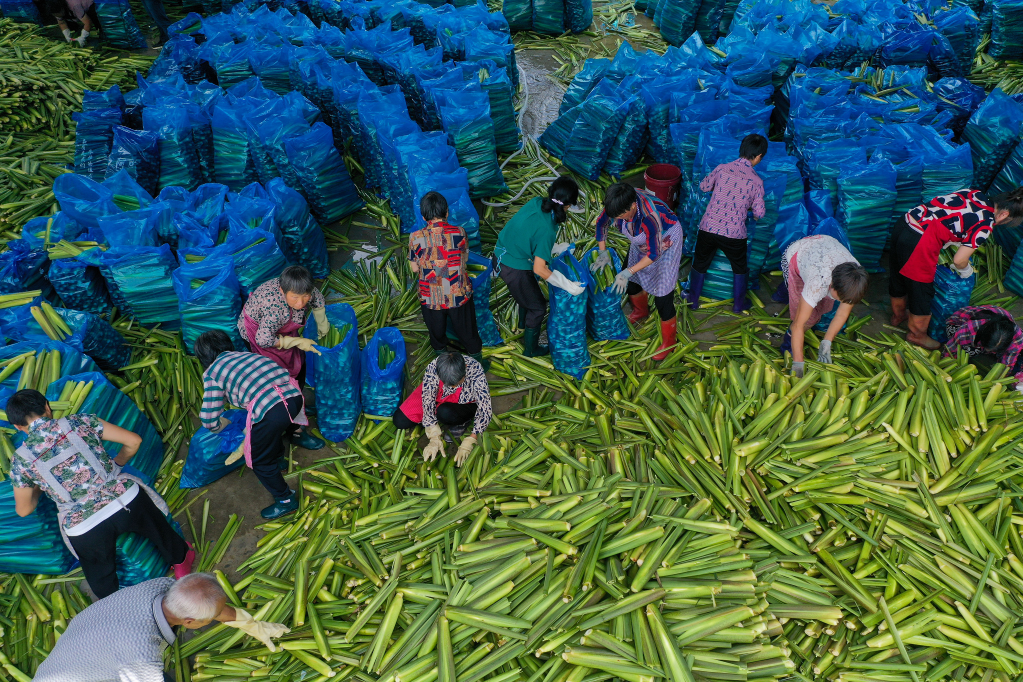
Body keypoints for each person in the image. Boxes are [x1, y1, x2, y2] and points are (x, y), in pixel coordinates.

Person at [7, 390, 193, 599]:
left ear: (18, 427)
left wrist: (42, 485)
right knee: (159, 529)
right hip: (125, 502)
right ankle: (181, 560)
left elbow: (24, 510)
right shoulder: (79, 421)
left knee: (100, 576)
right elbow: (134, 441)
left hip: (85, 527)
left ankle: (115, 605)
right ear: (47, 407)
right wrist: (118, 463)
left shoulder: (20, 461)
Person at [32, 573, 289, 682]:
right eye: (208, 620)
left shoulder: (161, 586)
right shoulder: (141, 654)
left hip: (82, 646)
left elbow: (212, 607)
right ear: (189, 623)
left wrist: (254, 626)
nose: (214, 619)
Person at [195, 330, 315, 520]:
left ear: (203, 356)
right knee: (269, 432)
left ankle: (286, 500)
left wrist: (222, 425)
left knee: (259, 460)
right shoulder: (247, 355)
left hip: (271, 409)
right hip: (294, 397)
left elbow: (209, 419)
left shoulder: (212, 373)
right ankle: (279, 461)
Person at [889, 188, 1023, 348]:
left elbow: (948, 215)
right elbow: (959, 260)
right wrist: (965, 271)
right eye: (1006, 223)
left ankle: (898, 316)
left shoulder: (973, 193)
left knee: (897, 274)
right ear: (1004, 215)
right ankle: (917, 336)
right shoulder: (985, 224)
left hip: (906, 222)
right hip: (919, 241)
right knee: (921, 292)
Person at [494, 177, 586, 357]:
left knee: (528, 291)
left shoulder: (537, 202)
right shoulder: (548, 230)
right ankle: (531, 349)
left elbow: (528, 232)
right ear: (567, 206)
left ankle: (522, 325)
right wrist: (567, 285)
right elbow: (539, 269)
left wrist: (553, 248)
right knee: (538, 307)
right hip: (513, 266)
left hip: (502, 251)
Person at [238, 265, 326, 449]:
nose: (301, 303)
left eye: (305, 296)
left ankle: (299, 404)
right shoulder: (276, 310)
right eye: (295, 297)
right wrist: (295, 342)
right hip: (261, 336)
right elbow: (263, 339)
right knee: (283, 382)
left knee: (298, 368)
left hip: (278, 332)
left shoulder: (304, 288)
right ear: (282, 290)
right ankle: (295, 431)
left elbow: (316, 298)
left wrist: (321, 320)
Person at [594, 182, 684, 361]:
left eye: (621, 216)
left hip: (666, 241)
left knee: (663, 298)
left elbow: (654, 253)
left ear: (633, 206)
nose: (617, 219)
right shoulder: (617, 203)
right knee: (632, 284)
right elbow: (601, 224)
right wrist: (602, 252)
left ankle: (669, 342)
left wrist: (628, 271)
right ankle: (641, 310)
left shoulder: (650, 217)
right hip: (642, 244)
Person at [687, 133, 768, 313]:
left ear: (741, 151)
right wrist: (749, 211)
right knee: (739, 268)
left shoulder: (722, 169)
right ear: (759, 156)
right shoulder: (756, 181)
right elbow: (760, 213)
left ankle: (692, 301)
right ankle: (739, 305)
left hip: (708, 227)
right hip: (734, 234)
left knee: (700, 263)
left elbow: (703, 187)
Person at [409, 191, 486, 367]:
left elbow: (414, 268)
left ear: (423, 216)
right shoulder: (459, 232)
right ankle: (476, 362)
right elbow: (464, 260)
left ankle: (443, 362)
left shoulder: (415, 237)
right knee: (468, 332)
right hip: (457, 294)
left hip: (430, 297)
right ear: (447, 212)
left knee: (437, 332)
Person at [778, 235, 869, 377]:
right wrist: (798, 364)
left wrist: (827, 341)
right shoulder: (817, 282)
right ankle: (786, 345)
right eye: (840, 298)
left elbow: (841, 314)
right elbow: (798, 325)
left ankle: (784, 292)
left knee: (820, 309)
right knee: (805, 318)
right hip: (798, 253)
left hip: (825, 246)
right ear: (831, 285)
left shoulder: (854, 279)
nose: (843, 301)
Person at [392, 352, 492, 467]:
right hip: (438, 394)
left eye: (457, 383)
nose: (453, 387)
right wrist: (434, 435)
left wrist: (472, 438)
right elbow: (428, 398)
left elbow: (485, 407)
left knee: (445, 413)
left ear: (464, 368)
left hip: (463, 401)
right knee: (399, 420)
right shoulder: (433, 367)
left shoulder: (475, 370)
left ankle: (462, 421)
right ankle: (436, 419)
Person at [944, 306, 1023, 386]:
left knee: (1017, 354)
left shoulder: (1017, 339)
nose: (989, 351)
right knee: (970, 351)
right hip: (956, 324)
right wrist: (947, 369)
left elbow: (1007, 365)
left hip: (994, 331)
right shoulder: (969, 330)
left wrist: (998, 381)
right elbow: (950, 351)